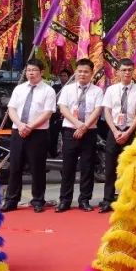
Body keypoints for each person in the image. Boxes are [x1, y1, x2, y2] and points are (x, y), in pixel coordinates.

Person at [2, 59, 58, 213]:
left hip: (38, 133)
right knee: (15, 167)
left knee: (37, 168)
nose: (31, 73)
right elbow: (11, 109)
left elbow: (47, 113)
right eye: (28, 70)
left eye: (34, 70)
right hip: (18, 131)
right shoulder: (19, 89)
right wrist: (20, 125)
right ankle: (11, 200)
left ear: (41, 72)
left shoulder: (48, 90)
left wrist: (30, 126)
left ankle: (38, 200)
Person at [56, 58, 104, 212]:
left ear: (91, 74)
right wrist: (77, 124)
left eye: (86, 72)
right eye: (80, 71)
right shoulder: (68, 89)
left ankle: (84, 199)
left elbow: (97, 110)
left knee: (87, 166)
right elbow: (63, 108)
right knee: (68, 166)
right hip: (70, 130)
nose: (82, 74)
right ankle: (65, 200)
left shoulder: (97, 91)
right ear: (76, 72)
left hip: (89, 131)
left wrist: (84, 127)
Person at [100, 59, 136, 212]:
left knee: (131, 168)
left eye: (129, 70)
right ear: (118, 72)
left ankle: (129, 200)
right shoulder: (111, 90)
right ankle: (107, 200)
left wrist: (128, 132)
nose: (127, 73)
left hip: (131, 131)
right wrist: (115, 131)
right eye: (124, 70)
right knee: (110, 167)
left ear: (133, 71)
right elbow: (106, 111)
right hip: (113, 130)